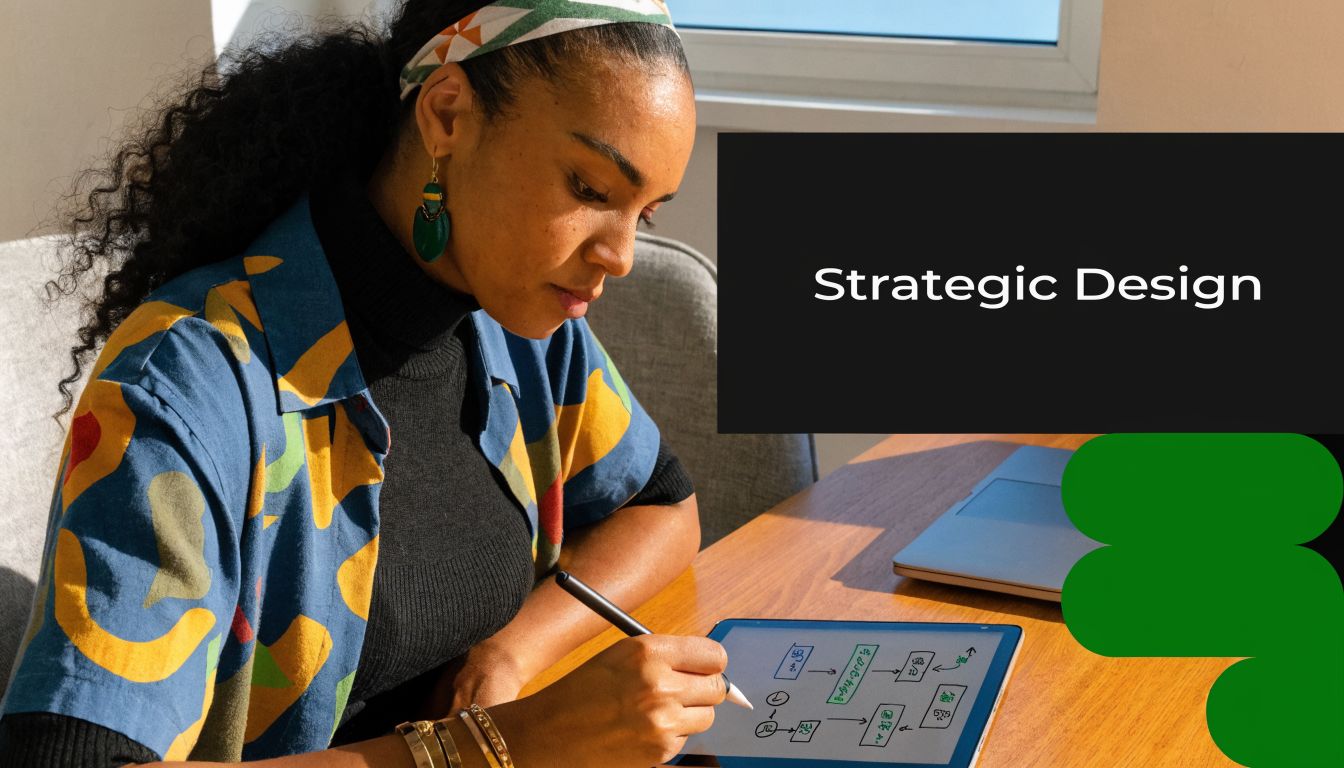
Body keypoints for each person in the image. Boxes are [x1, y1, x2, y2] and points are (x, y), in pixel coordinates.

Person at [0, 1, 727, 766]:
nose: (620, 256)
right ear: (447, 114)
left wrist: (512, 653)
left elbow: (662, 506)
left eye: (643, 215)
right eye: (588, 187)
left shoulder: (513, 321)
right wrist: (493, 746)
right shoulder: (186, 386)